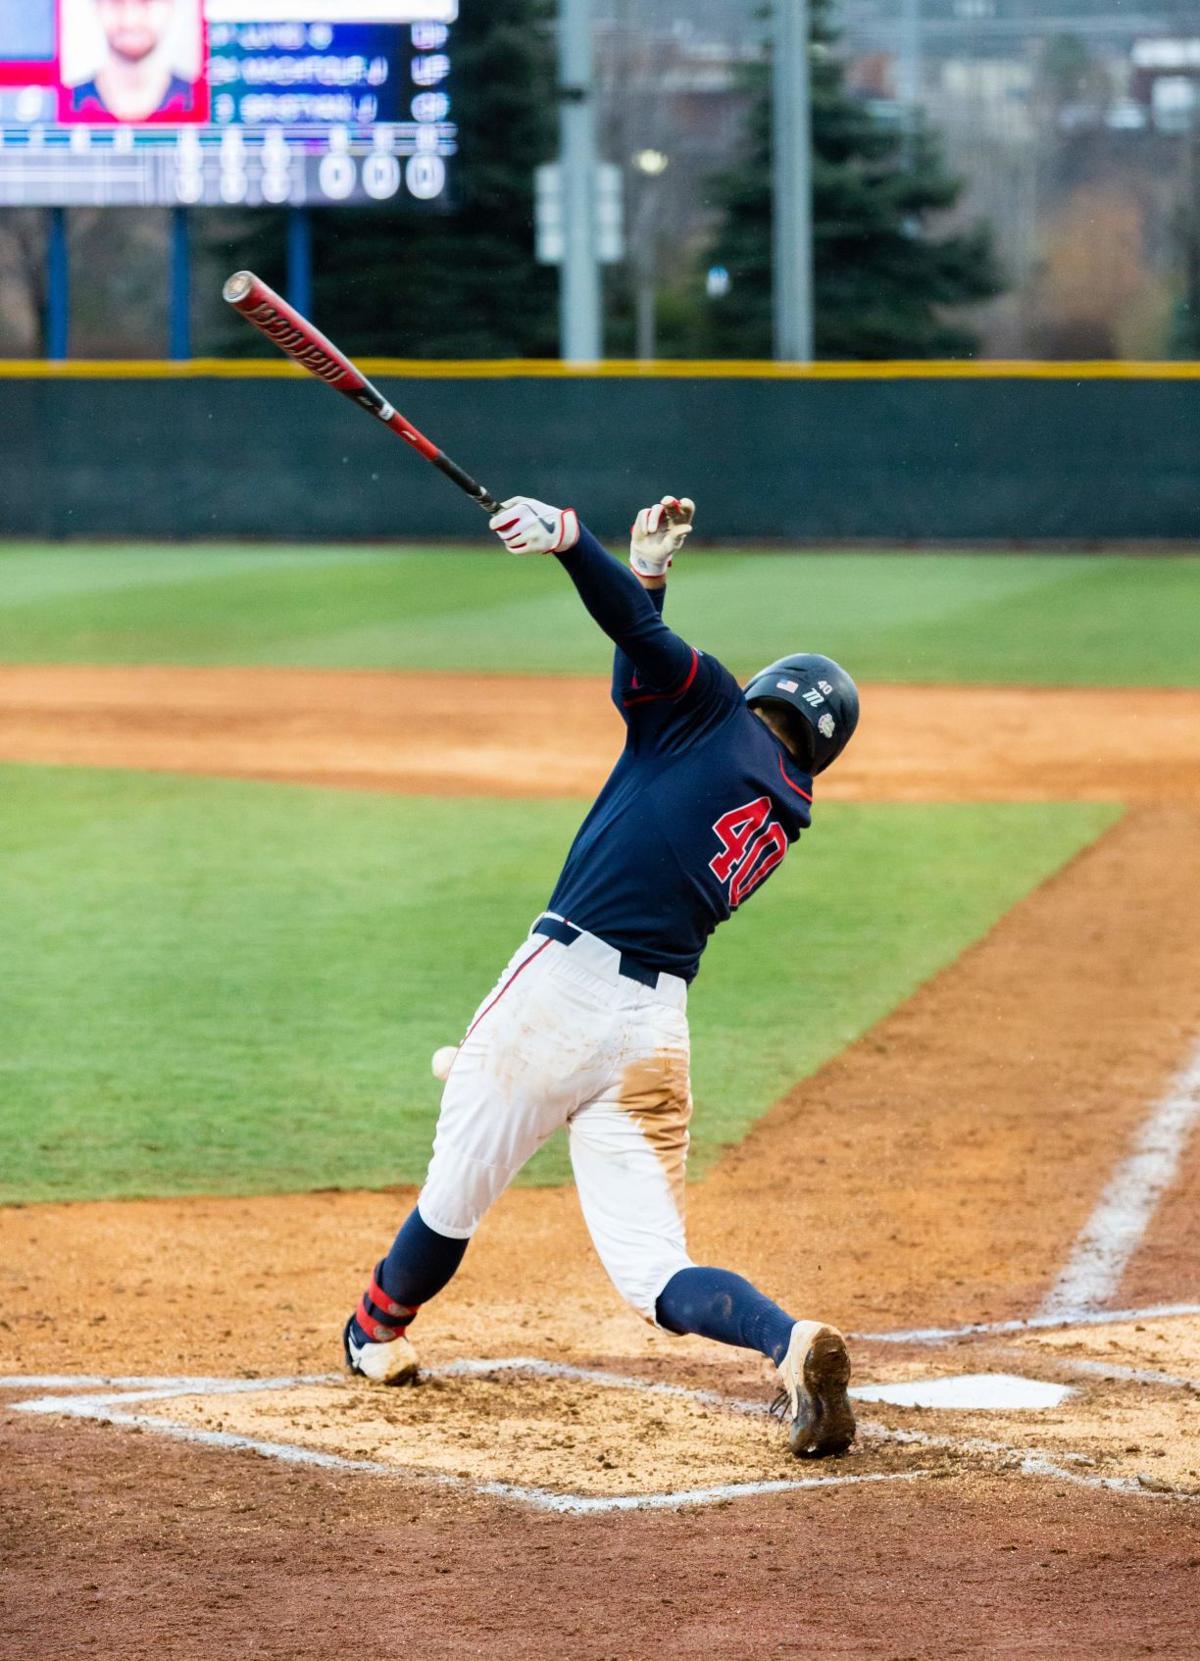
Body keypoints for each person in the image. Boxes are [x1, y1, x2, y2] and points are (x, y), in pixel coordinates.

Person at [344, 494, 862, 1457]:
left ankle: (375, 1328)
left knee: (454, 1196)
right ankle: (788, 1341)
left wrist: (576, 543)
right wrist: (651, 571)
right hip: (652, 1033)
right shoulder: (784, 802)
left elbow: (638, 638)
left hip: (558, 991)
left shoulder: (711, 707)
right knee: (654, 1271)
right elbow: (645, 688)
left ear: (766, 692)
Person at [68, 0, 198, 124]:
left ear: (170, 6)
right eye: (116, 2)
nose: (130, 21)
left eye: (146, 2)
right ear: (97, 7)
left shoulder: (204, 103)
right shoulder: (63, 104)